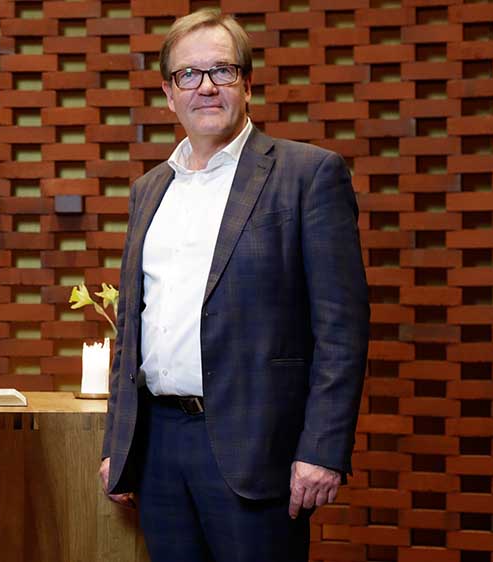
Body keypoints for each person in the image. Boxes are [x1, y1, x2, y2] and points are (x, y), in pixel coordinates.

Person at [99, 9, 369, 561]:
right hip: (159, 450)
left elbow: (341, 330)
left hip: (257, 449)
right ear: (169, 94)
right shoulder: (150, 189)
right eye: (188, 75)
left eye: (221, 71)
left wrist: (322, 449)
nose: (206, 87)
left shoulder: (307, 175)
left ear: (247, 82)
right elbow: (132, 327)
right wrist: (119, 445)